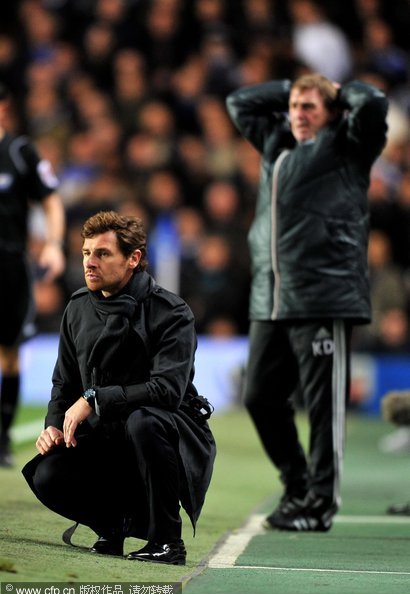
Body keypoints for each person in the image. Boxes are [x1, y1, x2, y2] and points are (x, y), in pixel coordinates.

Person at [226, 73, 388, 532]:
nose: (298, 114)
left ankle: (319, 504)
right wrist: (294, 87)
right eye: (294, 105)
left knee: (322, 409)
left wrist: (337, 92)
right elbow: (240, 101)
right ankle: (297, 485)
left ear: (332, 113)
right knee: (258, 397)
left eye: (309, 107)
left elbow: (373, 103)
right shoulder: (276, 141)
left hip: (323, 295)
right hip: (270, 297)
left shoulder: (350, 145)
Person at [22, 210, 216, 565]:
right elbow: (63, 380)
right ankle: (112, 527)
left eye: (102, 254)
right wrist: (52, 425)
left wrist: (95, 398)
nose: (89, 263)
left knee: (143, 421)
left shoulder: (171, 312)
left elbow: (168, 391)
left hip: (167, 432)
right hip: (107, 434)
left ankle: (167, 541)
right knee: (46, 472)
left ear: (133, 259)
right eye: (85, 253)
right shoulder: (78, 306)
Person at [0, 82, 65, 467]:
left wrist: (54, 243)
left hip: (9, 266)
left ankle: (3, 438)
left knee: (10, 352)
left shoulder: (19, 153)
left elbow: (51, 199)